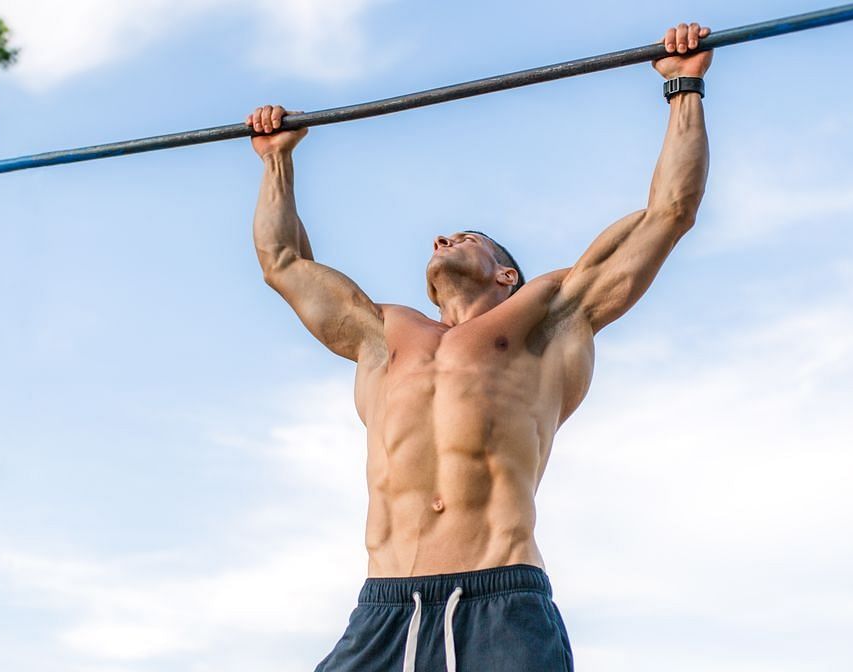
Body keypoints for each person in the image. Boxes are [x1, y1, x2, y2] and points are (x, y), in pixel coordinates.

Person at [245, 21, 713, 672]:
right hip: (385, 608)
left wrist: (683, 87)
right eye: (440, 238)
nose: (441, 238)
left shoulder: (550, 317)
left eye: (465, 237)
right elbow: (283, 260)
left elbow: (669, 213)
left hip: (502, 601)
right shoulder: (383, 336)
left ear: (505, 274)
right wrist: (277, 159)